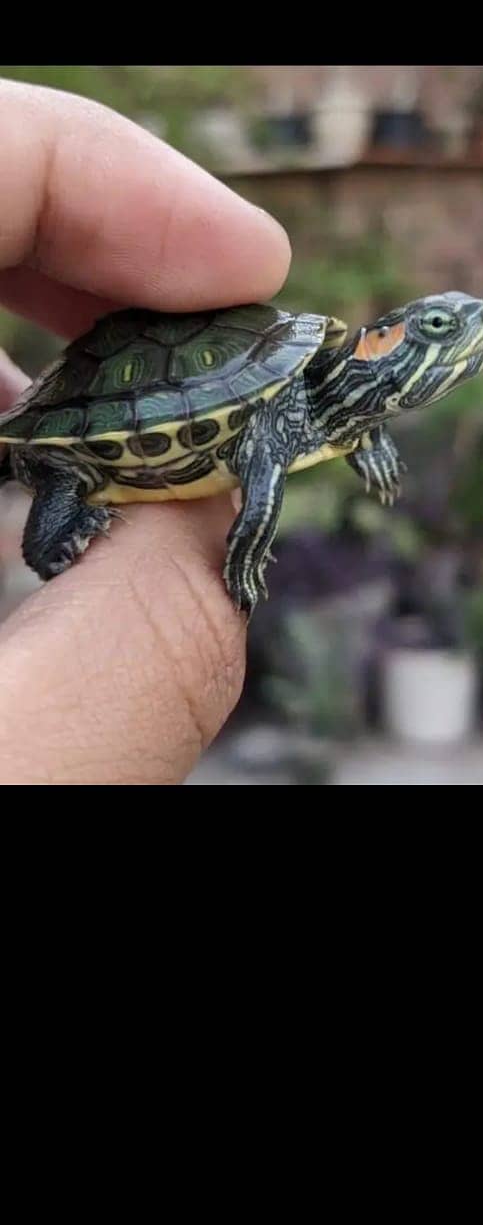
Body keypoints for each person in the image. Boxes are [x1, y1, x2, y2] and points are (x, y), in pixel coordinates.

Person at [0, 78, 291, 784]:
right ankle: (52, 533)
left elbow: (273, 453)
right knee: (63, 474)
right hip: (86, 431)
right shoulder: (287, 387)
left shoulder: (303, 391)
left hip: (120, 425)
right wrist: (242, 560)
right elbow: (261, 478)